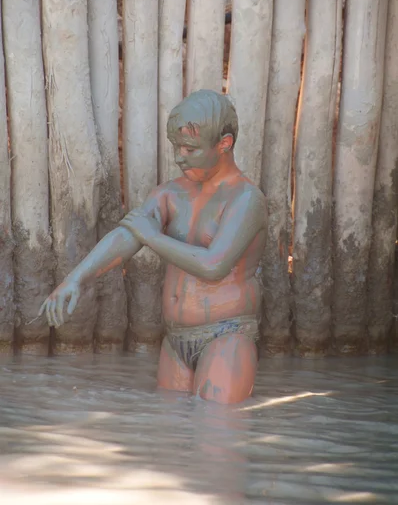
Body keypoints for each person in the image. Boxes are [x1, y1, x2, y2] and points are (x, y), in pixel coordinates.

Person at [39, 90, 267, 404]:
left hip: (226, 335)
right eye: (176, 147)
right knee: (168, 438)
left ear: (224, 144)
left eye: (190, 149)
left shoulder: (245, 198)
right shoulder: (170, 193)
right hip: (176, 340)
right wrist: (75, 279)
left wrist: (154, 237)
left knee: (216, 434)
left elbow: (214, 266)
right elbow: (130, 234)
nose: (179, 157)